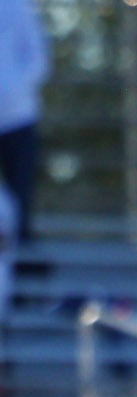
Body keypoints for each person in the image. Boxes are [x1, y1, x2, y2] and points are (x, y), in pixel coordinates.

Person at [0, 0, 46, 247]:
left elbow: (38, 60)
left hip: (17, 119)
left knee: (20, 201)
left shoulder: (19, 9)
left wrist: (8, 95)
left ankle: (23, 277)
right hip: (16, 114)